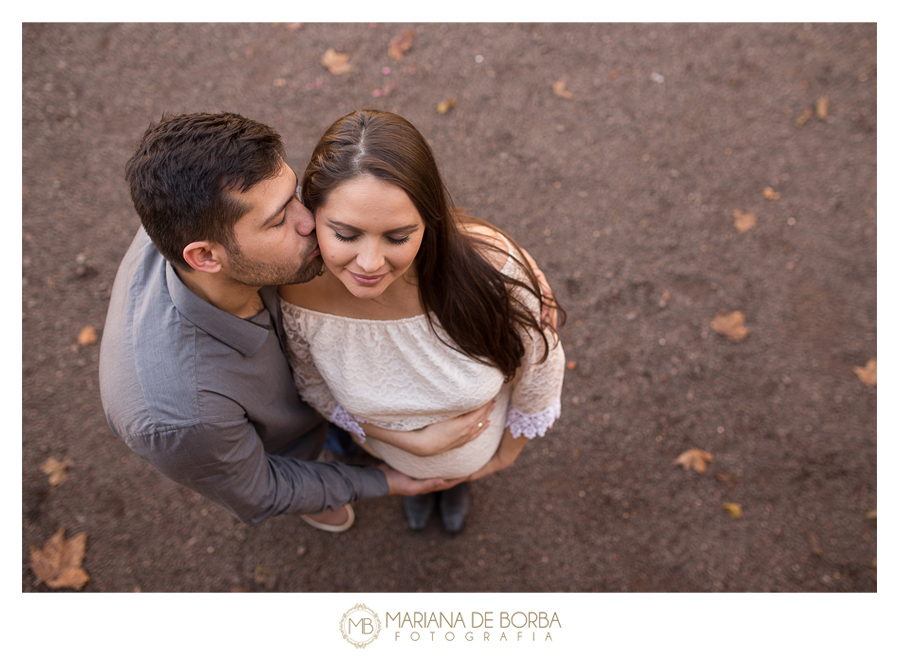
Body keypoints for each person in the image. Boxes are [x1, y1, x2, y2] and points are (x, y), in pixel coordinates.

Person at [99, 112, 498, 531]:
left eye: (293, 193)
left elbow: (382, 210)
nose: (309, 220)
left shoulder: (212, 209)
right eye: (278, 221)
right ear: (205, 258)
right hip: (292, 446)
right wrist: (390, 481)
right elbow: (260, 488)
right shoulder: (181, 415)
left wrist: (495, 261)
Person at [279, 109, 566, 533]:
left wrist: (503, 457)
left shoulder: (490, 272)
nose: (370, 263)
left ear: (428, 222)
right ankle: (430, 487)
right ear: (311, 218)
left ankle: (453, 486)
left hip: (478, 460)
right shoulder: (296, 293)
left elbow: (540, 364)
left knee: (453, 482)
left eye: (398, 237)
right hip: (391, 458)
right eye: (345, 234)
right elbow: (313, 385)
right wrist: (407, 442)